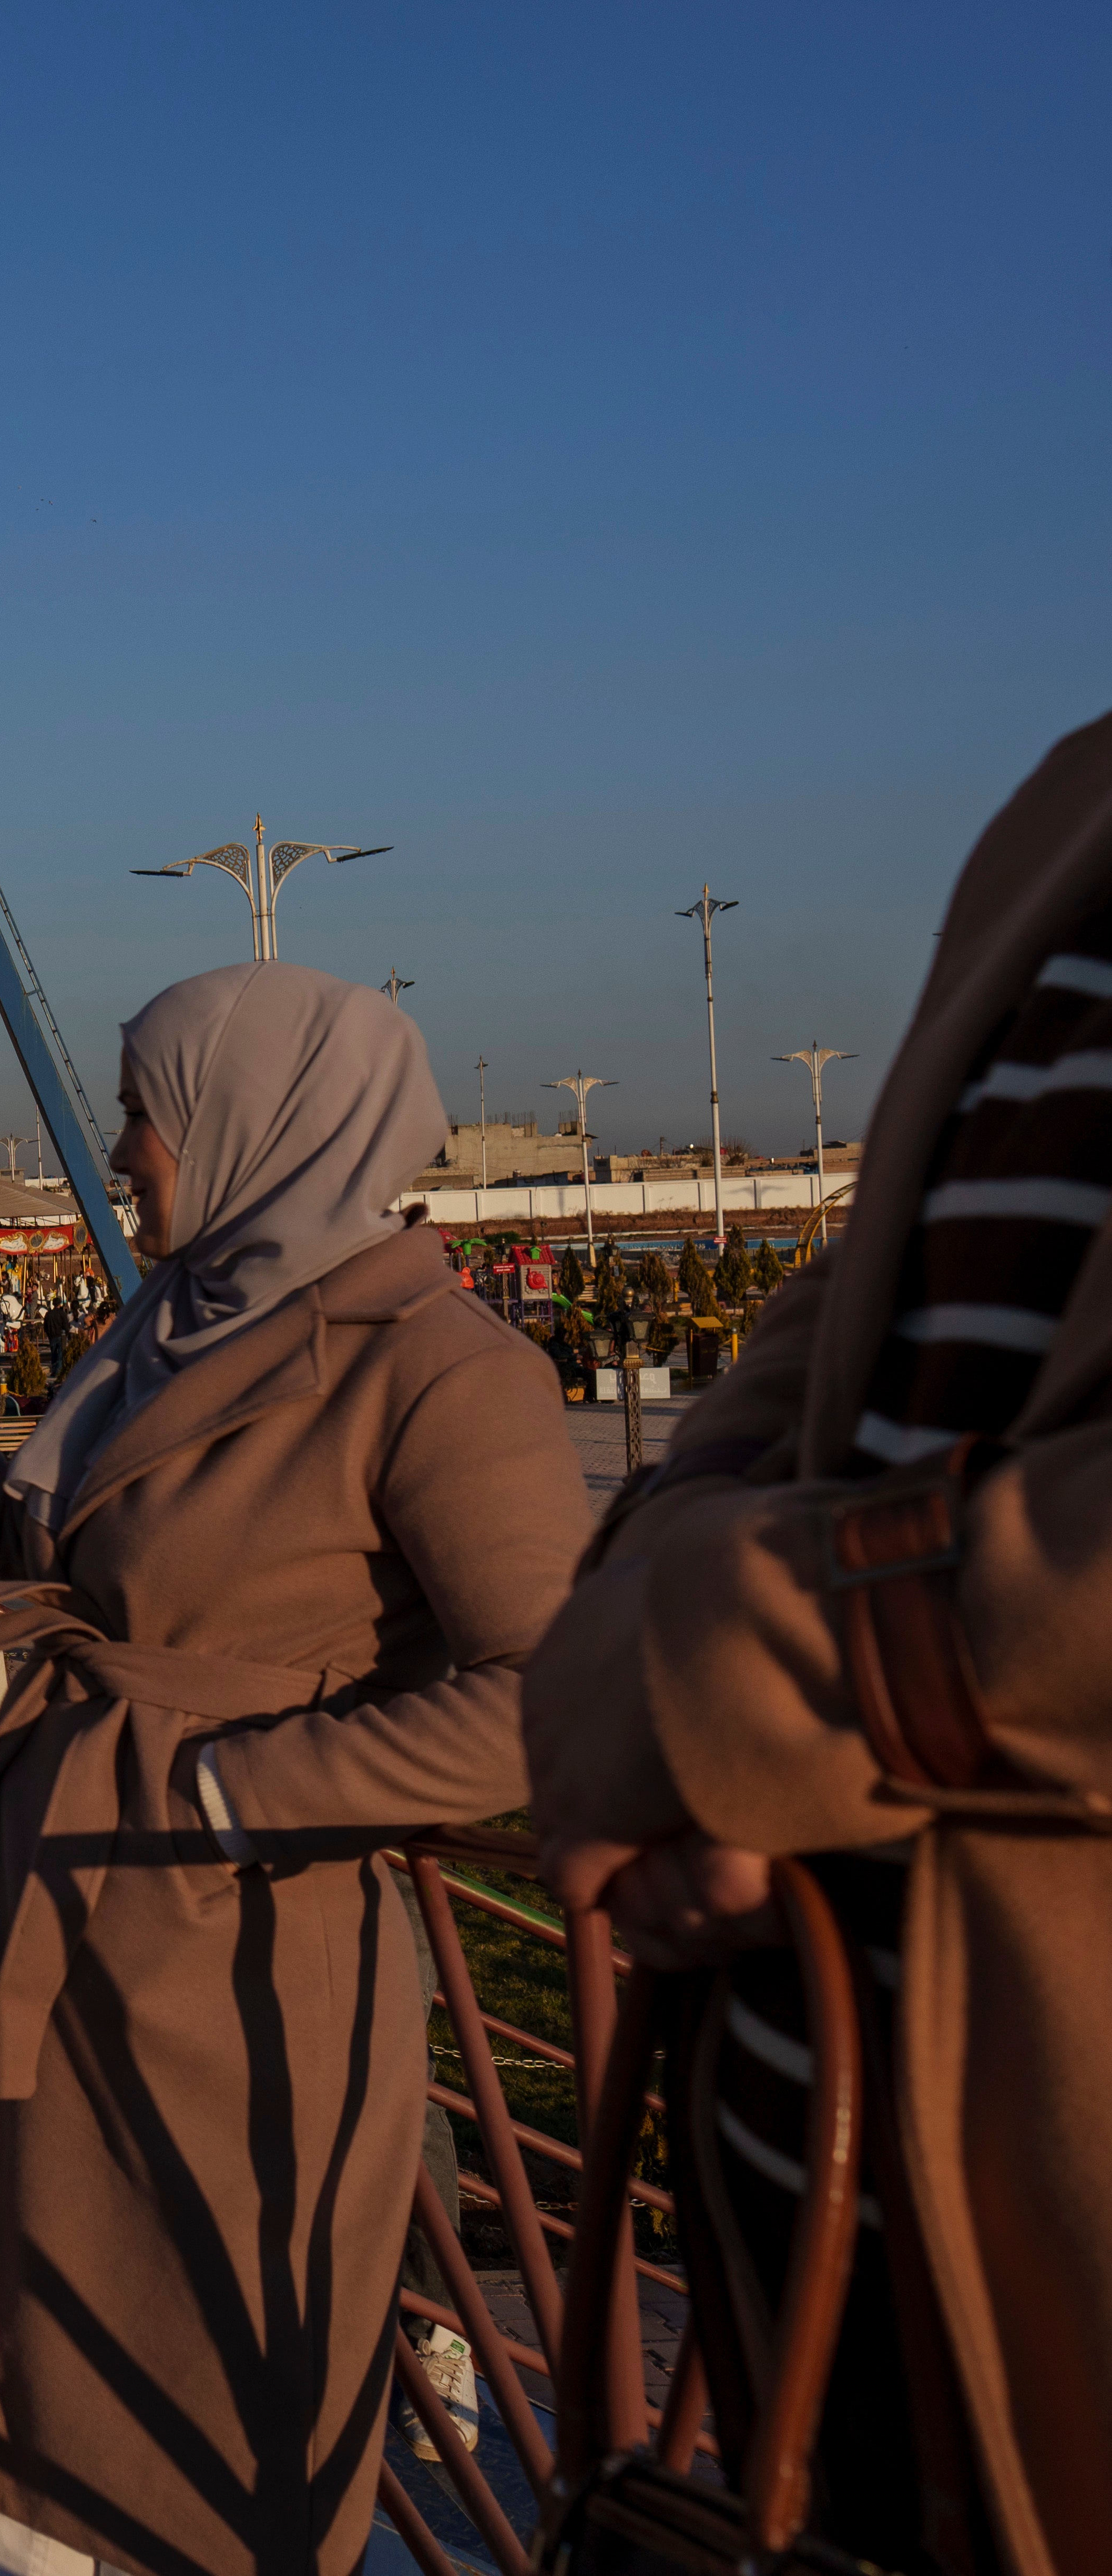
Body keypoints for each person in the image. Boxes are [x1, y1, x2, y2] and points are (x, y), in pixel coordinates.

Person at [0, 962, 587, 2576]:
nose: (123, 1147)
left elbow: (543, 1696)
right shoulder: (179, 1320)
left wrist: (231, 1796)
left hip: (227, 1964)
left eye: (145, 1110)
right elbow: (47, 1557)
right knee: (24, 2393)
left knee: (186, 2413)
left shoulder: (440, 1366)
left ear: (256, 1118)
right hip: (58, 1915)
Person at [521, 712, 1112, 2576]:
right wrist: (661, 1547)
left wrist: (722, 1682)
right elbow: (855, 1294)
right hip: (832, 2290)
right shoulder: (1070, 808)